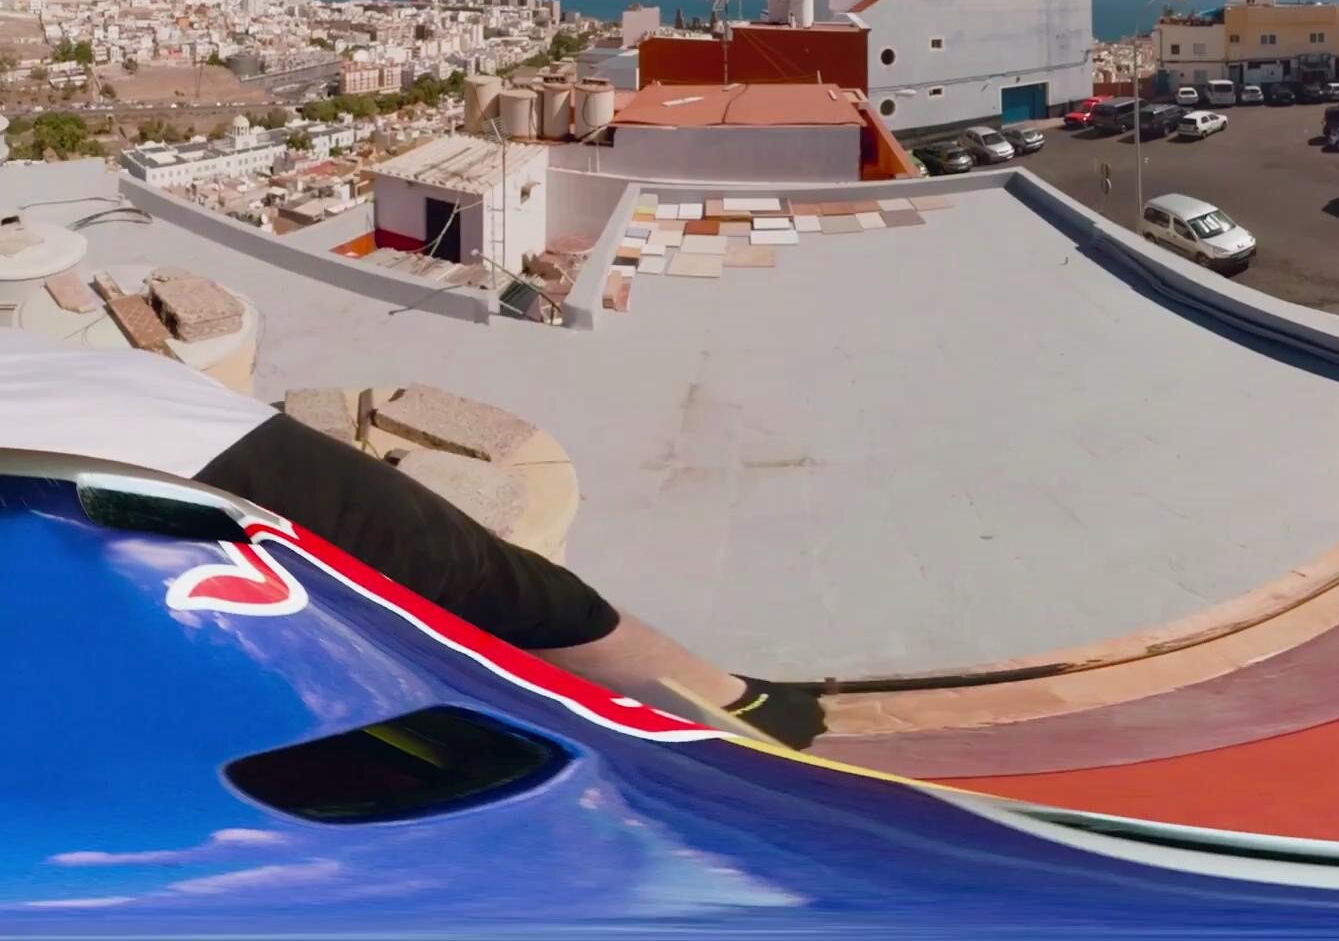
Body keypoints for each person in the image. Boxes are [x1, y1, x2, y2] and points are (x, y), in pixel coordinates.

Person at [2, 333, 824, 747]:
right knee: (485, 591)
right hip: (144, 432)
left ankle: (728, 707)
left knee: (490, 589)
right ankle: (724, 706)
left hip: (155, 430)